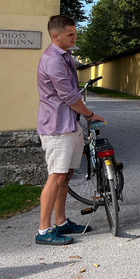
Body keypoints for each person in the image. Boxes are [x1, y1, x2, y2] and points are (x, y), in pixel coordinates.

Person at [36, 15, 105, 245]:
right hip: (57, 127)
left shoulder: (64, 56)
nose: (75, 38)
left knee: (66, 175)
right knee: (55, 176)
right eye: (70, 34)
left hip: (68, 125)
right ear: (55, 36)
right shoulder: (53, 60)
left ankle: (61, 222)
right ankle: (44, 231)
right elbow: (68, 95)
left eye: (75, 33)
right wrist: (89, 114)